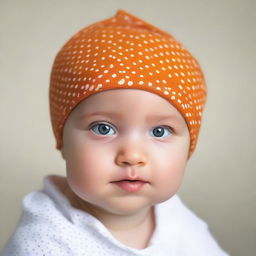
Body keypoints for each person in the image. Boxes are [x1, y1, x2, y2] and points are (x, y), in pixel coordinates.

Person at [1, 9, 229, 256]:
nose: (132, 155)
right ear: (62, 139)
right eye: (103, 128)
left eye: (160, 131)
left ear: (188, 148)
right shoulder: (43, 244)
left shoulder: (175, 217)